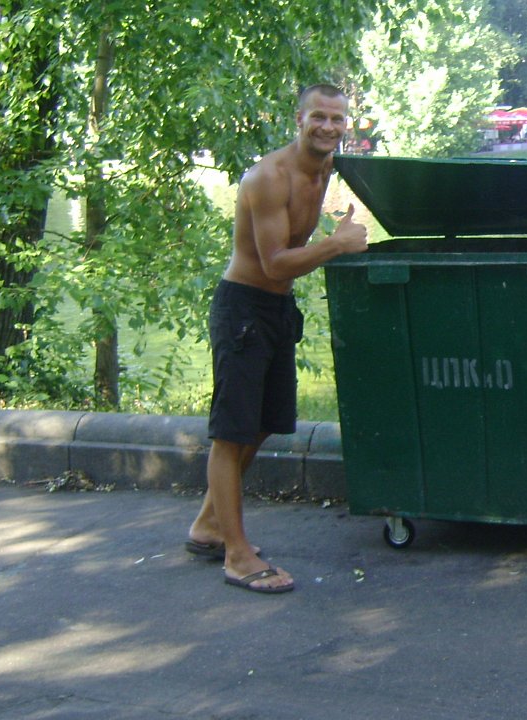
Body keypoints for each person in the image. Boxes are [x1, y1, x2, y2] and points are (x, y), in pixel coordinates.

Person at [186, 83, 368, 594]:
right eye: (318, 117)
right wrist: (335, 245)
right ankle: (237, 556)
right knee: (231, 434)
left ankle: (208, 525)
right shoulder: (268, 176)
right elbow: (274, 263)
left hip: (276, 309)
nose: (327, 127)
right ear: (299, 119)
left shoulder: (325, 169)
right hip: (243, 309)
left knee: (263, 424)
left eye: (337, 118)